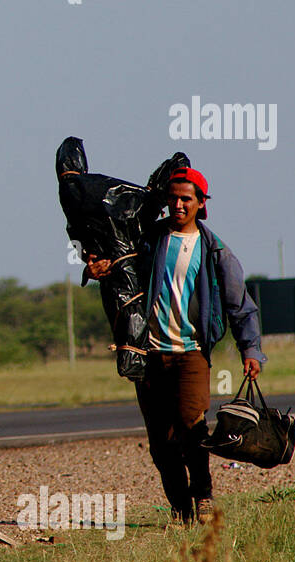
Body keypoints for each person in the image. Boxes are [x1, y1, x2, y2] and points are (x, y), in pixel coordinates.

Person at [85, 167, 264, 526]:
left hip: (191, 354)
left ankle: (203, 495)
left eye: (187, 198)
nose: (178, 204)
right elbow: (117, 262)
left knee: (191, 425)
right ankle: (181, 510)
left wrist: (251, 350)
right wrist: (94, 268)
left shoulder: (215, 251)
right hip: (147, 355)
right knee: (160, 442)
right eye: (173, 198)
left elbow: (240, 305)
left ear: (201, 203)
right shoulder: (149, 240)